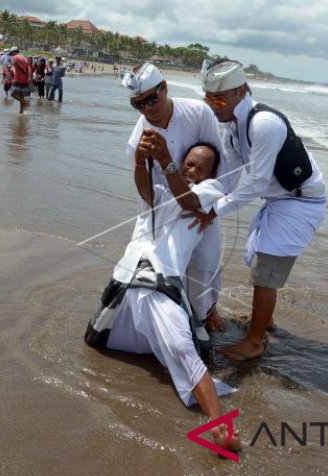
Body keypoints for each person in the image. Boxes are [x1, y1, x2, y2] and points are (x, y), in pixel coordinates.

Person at [85, 143, 240, 454]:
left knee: (182, 348)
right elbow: (145, 191)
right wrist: (141, 161)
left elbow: (189, 201)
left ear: (210, 174)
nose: (191, 169)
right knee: (97, 341)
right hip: (126, 280)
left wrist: (167, 161)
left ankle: (218, 427)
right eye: (189, 163)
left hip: (161, 281)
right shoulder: (158, 190)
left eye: (199, 167)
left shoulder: (211, 191)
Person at [185, 60, 327, 361]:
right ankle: (265, 321)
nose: (213, 106)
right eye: (208, 99)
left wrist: (214, 211)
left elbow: (257, 180)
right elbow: (230, 175)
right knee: (263, 264)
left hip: (301, 202)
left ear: (241, 92)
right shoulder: (233, 128)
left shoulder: (264, 124)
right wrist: (204, 199)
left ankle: (254, 341)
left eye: (220, 99)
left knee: (266, 272)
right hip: (279, 200)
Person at [123, 62, 240, 332]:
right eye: (138, 104)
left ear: (165, 87)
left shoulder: (198, 113)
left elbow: (217, 164)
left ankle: (206, 312)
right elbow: (147, 195)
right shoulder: (136, 140)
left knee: (206, 264)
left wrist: (213, 208)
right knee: (155, 265)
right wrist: (143, 161)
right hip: (162, 208)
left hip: (202, 201)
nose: (147, 108)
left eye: (152, 98)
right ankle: (161, 319)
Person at [8, 46, 30, 114]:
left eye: (11, 53)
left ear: (14, 52)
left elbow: (21, 67)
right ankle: (21, 112)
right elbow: (28, 67)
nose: (11, 55)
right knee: (21, 96)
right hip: (25, 79)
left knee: (12, 94)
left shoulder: (15, 57)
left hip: (18, 78)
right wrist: (28, 77)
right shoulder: (23, 57)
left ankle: (25, 103)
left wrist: (23, 72)